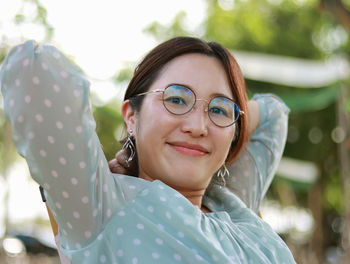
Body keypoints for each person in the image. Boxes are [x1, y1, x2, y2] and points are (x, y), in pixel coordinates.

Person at [0, 37, 296, 263]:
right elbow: (32, 68)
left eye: (218, 109)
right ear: (131, 116)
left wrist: (233, 120)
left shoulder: (234, 206)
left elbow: (274, 114)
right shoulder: (103, 207)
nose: (198, 126)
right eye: (177, 99)